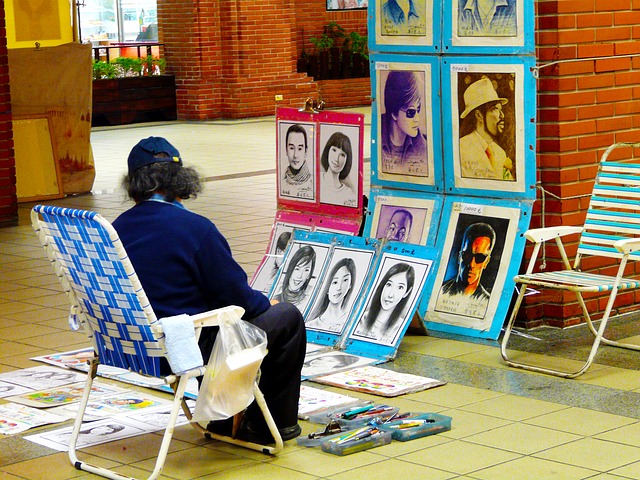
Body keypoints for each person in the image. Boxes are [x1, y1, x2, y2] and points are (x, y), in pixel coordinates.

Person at [112, 137, 306, 444]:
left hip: (128, 348)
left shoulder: (116, 229)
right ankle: (270, 426)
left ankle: (223, 418)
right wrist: (269, 302)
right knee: (286, 317)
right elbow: (240, 300)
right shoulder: (195, 228)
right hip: (182, 349)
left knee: (201, 312)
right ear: (178, 179)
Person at [435, 222, 496, 318]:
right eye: (467, 255)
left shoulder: (487, 302)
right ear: (460, 257)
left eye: (480, 258)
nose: (472, 264)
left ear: (486, 262)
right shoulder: (439, 291)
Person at [459, 77, 514, 180]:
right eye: (495, 109)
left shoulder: (499, 152)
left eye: (500, 110)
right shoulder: (461, 148)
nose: (502, 115)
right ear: (479, 115)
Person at [380, 70, 428, 176]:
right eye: (411, 112)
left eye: (418, 109)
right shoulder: (378, 136)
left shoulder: (422, 147)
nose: (417, 119)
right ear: (393, 113)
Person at [354, 262, 415, 344]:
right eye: (389, 285)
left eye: (400, 287)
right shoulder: (363, 318)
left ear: (407, 292)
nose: (390, 294)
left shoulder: (398, 326)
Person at [307, 258, 357, 332]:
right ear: (327, 286)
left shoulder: (351, 321)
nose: (339, 288)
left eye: (345, 280)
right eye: (335, 282)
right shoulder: (310, 325)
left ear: (350, 285)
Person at [272, 245, 316, 311]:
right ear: (291, 269)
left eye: (306, 270)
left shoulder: (307, 302)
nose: (299, 276)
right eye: (297, 269)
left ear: (309, 275)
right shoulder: (276, 298)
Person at [319, 132, 357, 207]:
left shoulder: (349, 194)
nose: (336, 159)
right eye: (334, 150)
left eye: (342, 155)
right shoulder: (314, 180)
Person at [281, 124, 314, 200]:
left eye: (299, 149)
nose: (295, 155)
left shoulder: (313, 183)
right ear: (286, 150)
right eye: (292, 148)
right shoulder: (282, 183)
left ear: (306, 151)